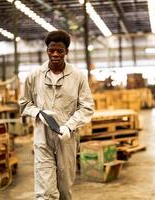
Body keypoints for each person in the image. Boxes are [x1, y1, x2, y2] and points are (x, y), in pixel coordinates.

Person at [19, 30, 94, 200]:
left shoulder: (78, 77)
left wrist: (69, 126)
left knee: (65, 188)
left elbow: (87, 107)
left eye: (59, 51)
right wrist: (38, 112)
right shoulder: (34, 76)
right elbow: (24, 104)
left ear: (66, 52)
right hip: (42, 137)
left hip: (66, 138)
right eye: (51, 50)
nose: (55, 54)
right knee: (45, 190)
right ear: (47, 51)